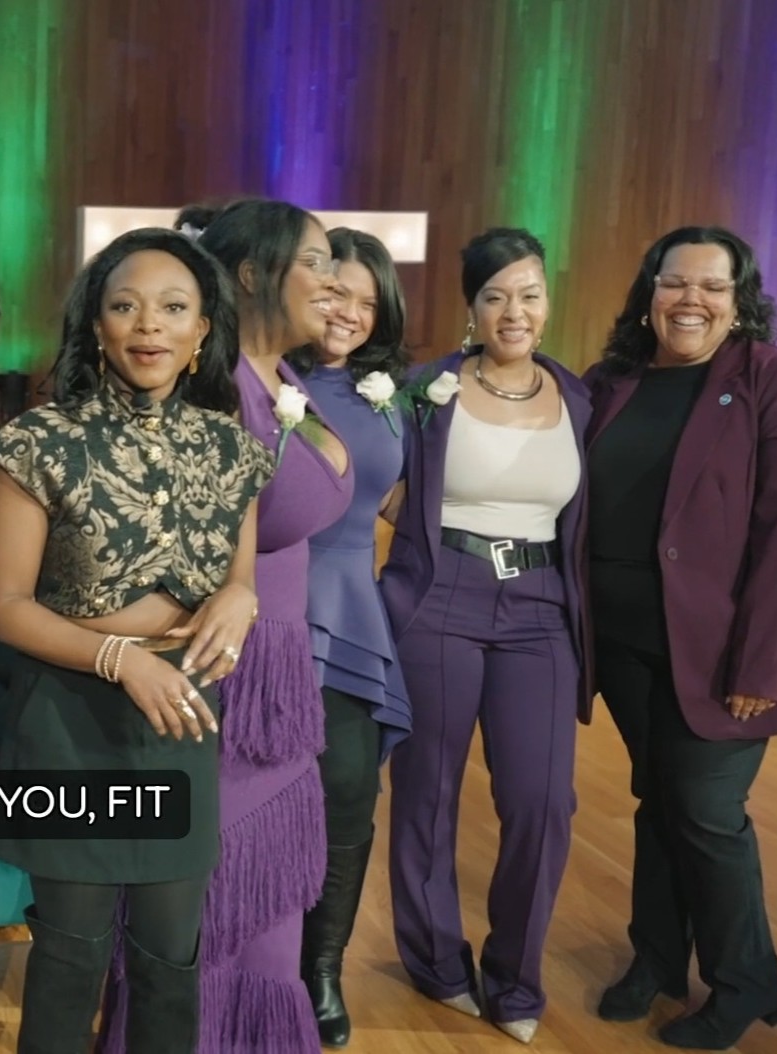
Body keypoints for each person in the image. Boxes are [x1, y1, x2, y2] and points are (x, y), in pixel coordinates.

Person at [0, 227, 271, 1053]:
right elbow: (3, 605)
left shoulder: (231, 450)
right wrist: (119, 659)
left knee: (168, 963)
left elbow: (236, 579)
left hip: (178, 718)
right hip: (70, 719)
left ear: (201, 331)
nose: (149, 325)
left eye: (173, 308)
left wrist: (241, 598)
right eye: (125, 305)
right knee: (71, 956)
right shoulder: (39, 442)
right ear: (96, 326)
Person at [583, 226, 777, 1050]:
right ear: (648, 291)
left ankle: (744, 981)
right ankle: (656, 961)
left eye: (711, 286)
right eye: (674, 283)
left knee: (704, 809)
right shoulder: (612, 382)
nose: (690, 300)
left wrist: (762, 662)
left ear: (738, 302)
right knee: (656, 801)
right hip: (626, 641)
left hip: (730, 652)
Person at [101, 198, 356, 1053]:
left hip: (274, 684)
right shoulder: (208, 389)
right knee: (200, 913)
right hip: (212, 682)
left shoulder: (284, 384)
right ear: (250, 275)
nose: (335, 281)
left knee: (268, 924)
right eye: (316, 263)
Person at [380, 228, 590, 1044]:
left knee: (543, 801)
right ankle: (435, 961)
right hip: (440, 594)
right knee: (428, 793)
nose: (514, 310)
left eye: (529, 293)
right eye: (496, 294)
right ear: (471, 306)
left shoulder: (577, 396)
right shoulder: (422, 389)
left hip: (540, 605)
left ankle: (515, 975)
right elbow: (372, 480)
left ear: (547, 302)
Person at [293, 227, 414, 1048]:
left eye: (367, 303)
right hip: (264, 597)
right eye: (335, 291)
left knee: (347, 791)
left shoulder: (389, 394)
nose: (349, 313)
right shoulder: (253, 374)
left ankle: (322, 968)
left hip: (349, 608)